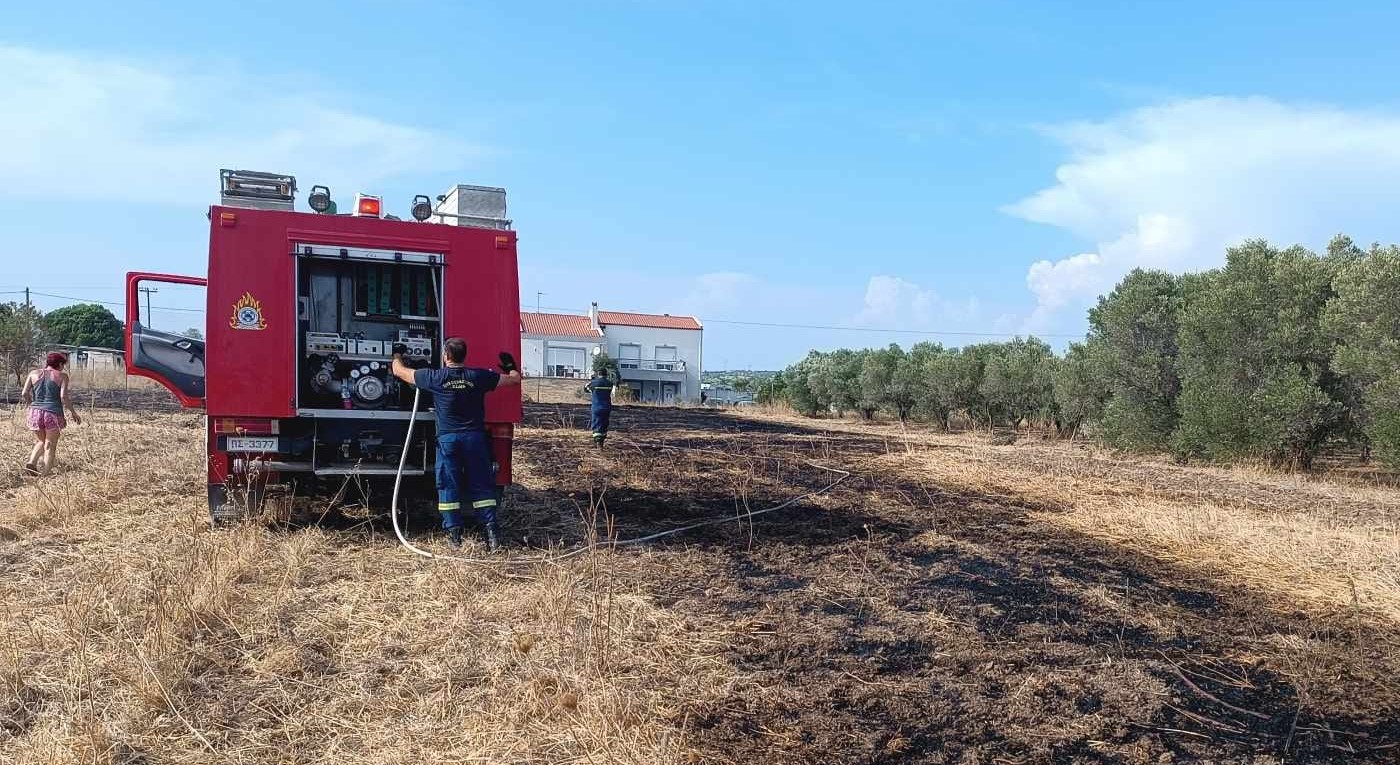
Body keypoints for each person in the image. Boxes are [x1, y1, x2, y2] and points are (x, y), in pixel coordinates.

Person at [390, 337, 521, 551]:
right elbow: (514, 380)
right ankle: (491, 534)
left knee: (448, 486)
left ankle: (454, 538)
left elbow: (399, 371)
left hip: (448, 440)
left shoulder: (434, 377)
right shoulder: (479, 377)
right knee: (481, 485)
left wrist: (397, 354)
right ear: (464, 356)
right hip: (475, 440)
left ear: (445, 356)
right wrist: (510, 366)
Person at [20, 352, 82, 476]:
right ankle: (45, 474)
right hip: (53, 413)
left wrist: (31, 404)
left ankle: (32, 462)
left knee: (42, 441)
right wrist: (73, 413)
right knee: (50, 444)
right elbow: (63, 397)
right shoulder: (62, 376)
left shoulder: (33, 373)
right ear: (59, 364)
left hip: (35, 412)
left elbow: (24, 393)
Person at [585, 370, 614, 446]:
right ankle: (602, 442)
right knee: (604, 424)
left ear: (598, 374)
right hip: (607, 407)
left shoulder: (594, 383)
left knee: (597, 424)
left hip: (597, 407)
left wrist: (592, 380)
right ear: (606, 375)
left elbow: (586, 389)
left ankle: (598, 442)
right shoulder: (610, 383)